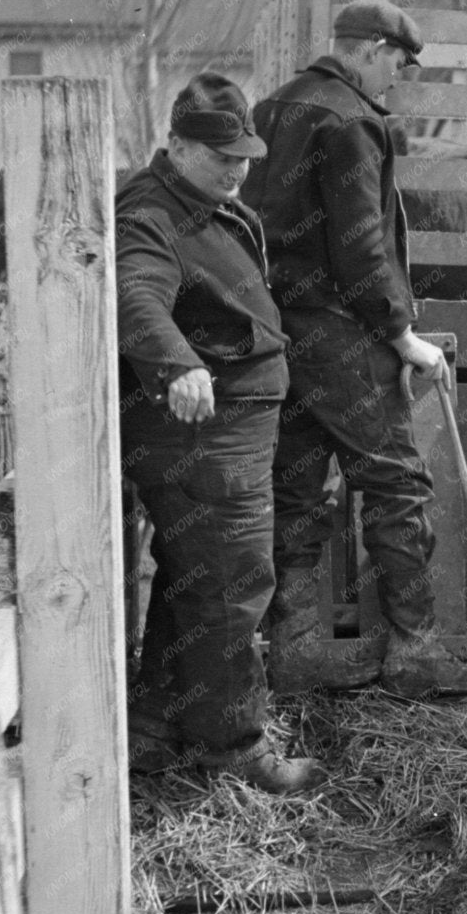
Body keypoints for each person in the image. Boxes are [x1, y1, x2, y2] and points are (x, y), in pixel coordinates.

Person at [246, 0, 467, 696]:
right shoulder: (351, 122)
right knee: (396, 483)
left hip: (278, 328)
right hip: (340, 333)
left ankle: (295, 650)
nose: (395, 82)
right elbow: (360, 244)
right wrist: (401, 334)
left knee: (295, 490)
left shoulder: (273, 108)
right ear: (371, 48)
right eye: (397, 65)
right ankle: (416, 654)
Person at [115, 72, 322, 793]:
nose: (237, 168)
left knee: (191, 580)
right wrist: (176, 364)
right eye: (219, 154)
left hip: (229, 436)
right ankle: (234, 745)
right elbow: (136, 291)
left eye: (242, 154)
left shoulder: (203, 202)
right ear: (174, 146)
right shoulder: (151, 215)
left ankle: (155, 726)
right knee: (233, 584)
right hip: (202, 438)